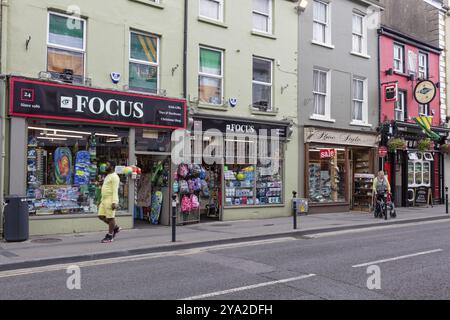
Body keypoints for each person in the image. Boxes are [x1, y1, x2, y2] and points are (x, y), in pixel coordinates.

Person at [98, 161, 122, 243]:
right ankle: (115, 228)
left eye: (107, 165)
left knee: (110, 218)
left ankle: (110, 236)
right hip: (104, 199)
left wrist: (114, 202)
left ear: (112, 167)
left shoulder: (115, 177)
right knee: (101, 216)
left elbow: (115, 190)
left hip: (110, 199)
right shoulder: (108, 175)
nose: (105, 166)